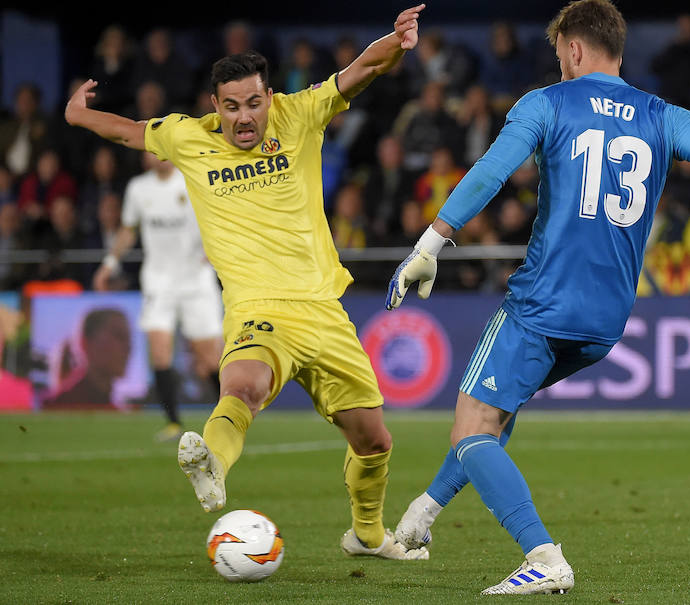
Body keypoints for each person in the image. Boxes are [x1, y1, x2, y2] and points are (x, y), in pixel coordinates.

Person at [385, 0, 690, 595]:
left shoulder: (546, 103)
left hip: (542, 302)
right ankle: (421, 519)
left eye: (558, 54)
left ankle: (543, 554)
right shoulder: (663, 115)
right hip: (607, 320)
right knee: (498, 410)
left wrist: (431, 242)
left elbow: (490, 171)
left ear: (571, 48)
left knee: (471, 428)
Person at [65, 4, 430, 562]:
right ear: (214, 105)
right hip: (257, 306)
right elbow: (130, 132)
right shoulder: (188, 139)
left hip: (324, 311)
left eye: (254, 103)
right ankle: (211, 462)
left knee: (374, 441)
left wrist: (396, 40)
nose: (244, 117)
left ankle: (368, 535)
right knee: (242, 388)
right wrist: (76, 116)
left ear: (269, 98)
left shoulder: (300, 114)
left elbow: (360, 69)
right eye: (231, 106)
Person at [93, 152, 224, 442]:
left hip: (196, 281)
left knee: (208, 359)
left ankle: (229, 416)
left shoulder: (195, 180)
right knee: (160, 351)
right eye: (152, 150)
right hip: (158, 282)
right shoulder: (139, 188)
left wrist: (216, 250)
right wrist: (109, 264)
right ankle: (174, 423)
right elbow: (128, 230)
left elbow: (221, 216)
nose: (157, 155)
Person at [42, 308, 132, 408]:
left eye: (129, 339)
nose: (128, 347)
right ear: (85, 343)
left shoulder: (112, 408)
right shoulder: (61, 404)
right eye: (119, 336)